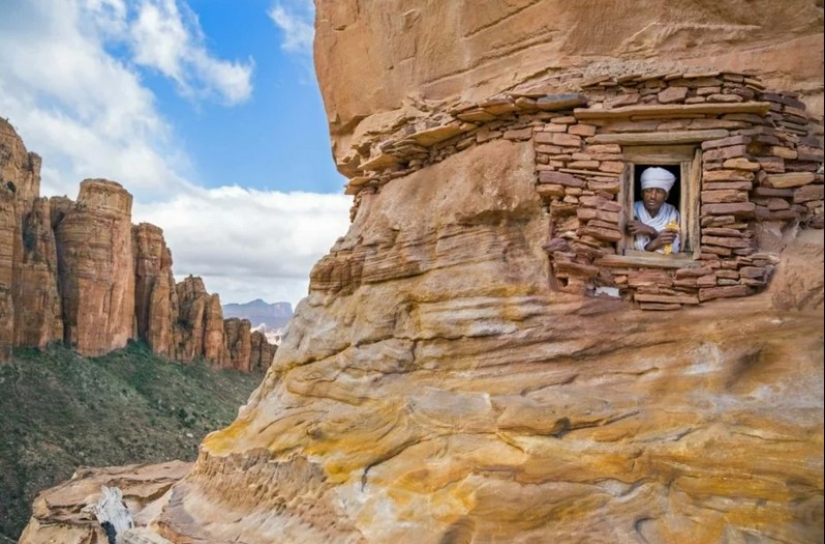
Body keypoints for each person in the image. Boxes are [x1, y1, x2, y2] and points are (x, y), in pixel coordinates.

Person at [628, 167, 681, 254]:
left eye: (659, 191)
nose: (653, 196)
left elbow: (671, 248)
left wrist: (651, 231)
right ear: (642, 193)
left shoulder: (671, 212)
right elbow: (630, 246)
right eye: (648, 191)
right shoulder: (632, 209)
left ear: (666, 196)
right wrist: (658, 240)